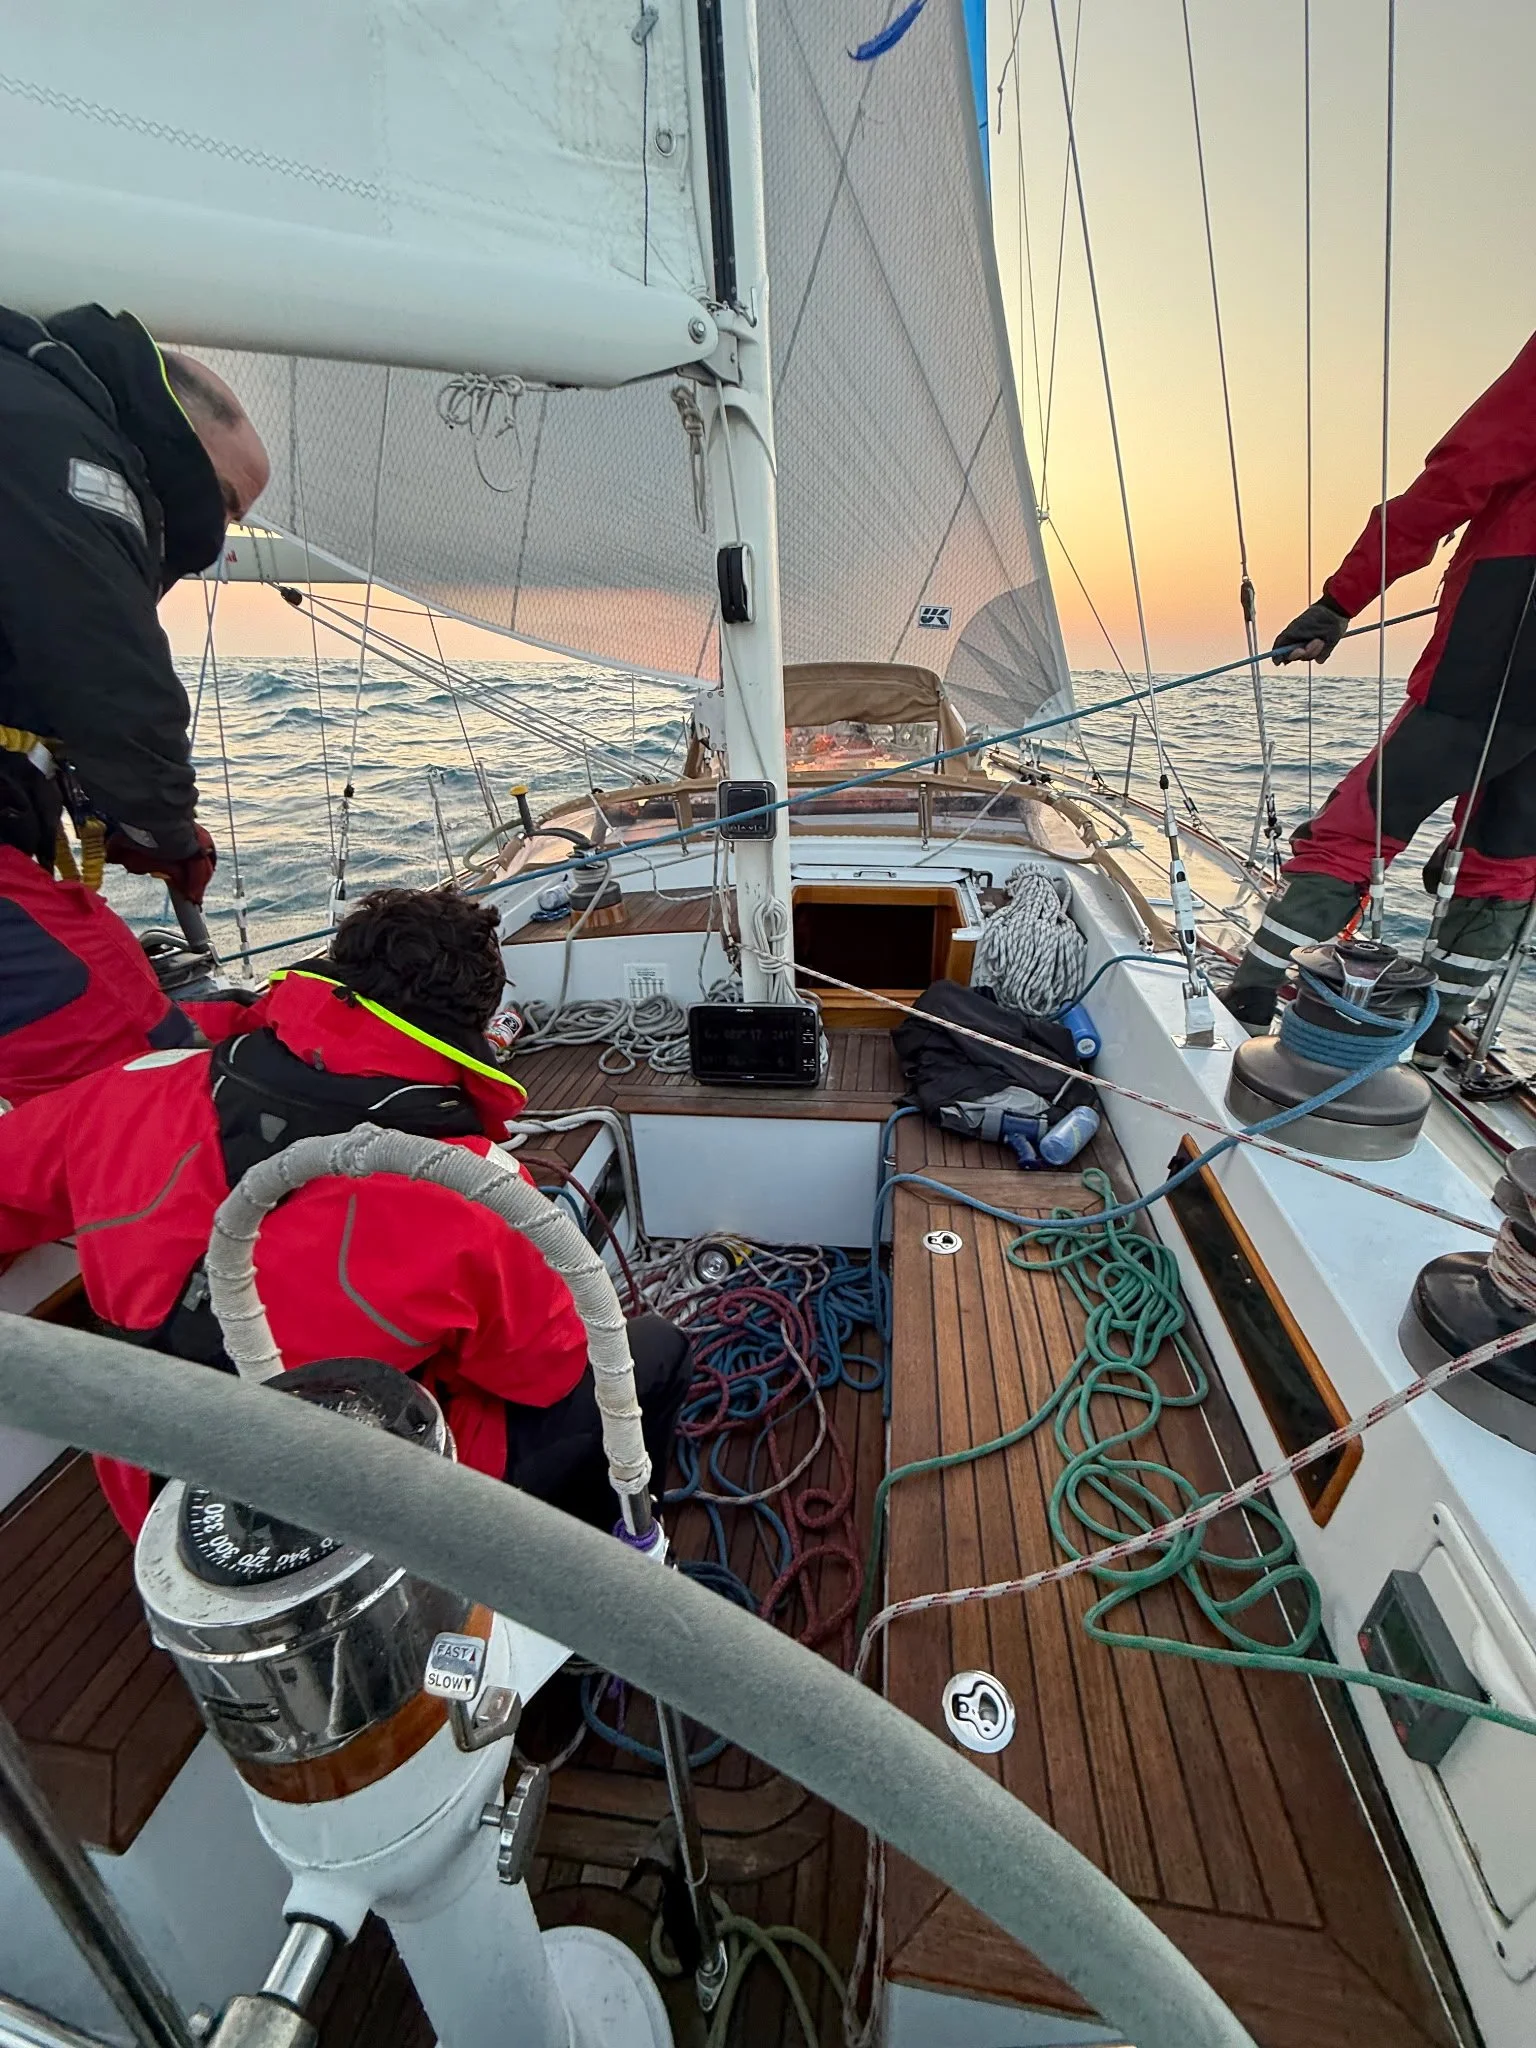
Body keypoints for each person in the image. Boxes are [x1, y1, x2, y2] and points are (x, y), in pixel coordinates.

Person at [0, 886, 692, 1541]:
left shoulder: (126, 1093)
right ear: (476, 1025)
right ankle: (607, 1564)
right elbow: (542, 1374)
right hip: (369, 1511)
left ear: (336, 974)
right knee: (655, 1351)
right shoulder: (475, 1190)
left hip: (152, 1494)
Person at [1221, 329, 1536, 1066]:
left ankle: (1253, 995)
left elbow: (1461, 474)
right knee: (1510, 849)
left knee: (1362, 822)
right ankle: (1434, 1038)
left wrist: (1341, 600)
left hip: (1507, 618)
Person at [0, 302, 270, 1104]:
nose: (214, 537)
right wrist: (165, 836)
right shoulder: (58, 446)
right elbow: (116, 686)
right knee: (127, 1046)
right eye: (223, 502)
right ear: (174, 436)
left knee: (126, 1001)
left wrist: (120, 820)